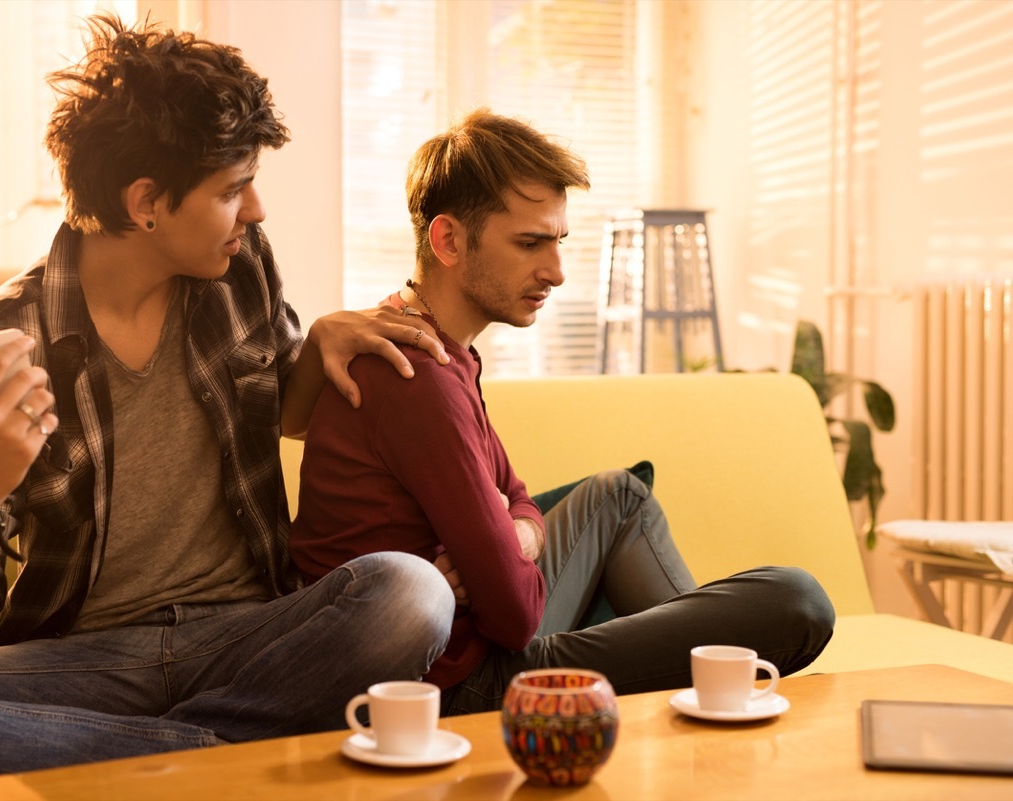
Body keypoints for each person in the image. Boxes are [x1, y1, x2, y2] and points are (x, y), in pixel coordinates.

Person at [0, 15, 456, 788]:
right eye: (233, 189)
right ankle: (215, 754)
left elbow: (286, 414)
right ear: (146, 202)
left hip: (248, 633)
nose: (255, 210)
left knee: (409, 591)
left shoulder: (240, 267)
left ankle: (139, 756)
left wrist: (322, 339)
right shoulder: (0, 341)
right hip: (84, 658)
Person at [288, 108, 836, 716]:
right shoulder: (416, 376)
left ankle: (699, 683)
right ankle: (709, 688)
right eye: (529, 244)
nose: (556, 271)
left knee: (618, 495)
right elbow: (518, 618)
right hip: (453, 680)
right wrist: (505, 546)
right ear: (448, 240)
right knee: (797, 603)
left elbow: (516, 493)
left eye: (557, 241)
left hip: (480, 632)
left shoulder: (439, 343)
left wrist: (518, 531)